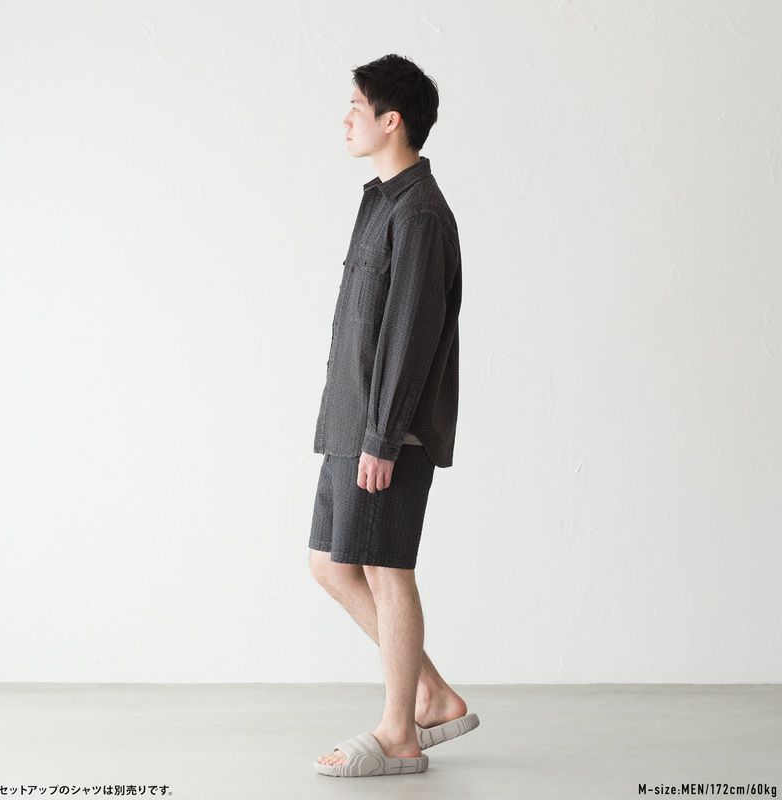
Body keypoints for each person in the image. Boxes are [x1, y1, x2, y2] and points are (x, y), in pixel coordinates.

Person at [308, 54, 478, 778]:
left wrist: (382, 438)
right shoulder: (381, 203)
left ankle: (400, 732)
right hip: (352, 424)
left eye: (357, 105)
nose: (346, 118)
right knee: (330, 564)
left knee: (386, 569)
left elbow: (408, 336)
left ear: (391, 120)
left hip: (387, 433)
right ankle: (432, 694)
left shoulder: (420, 214)